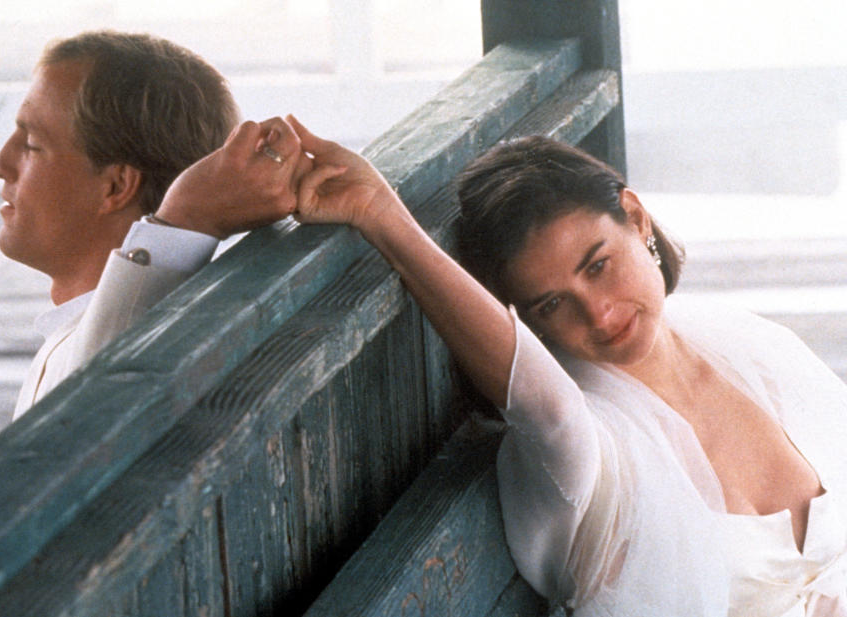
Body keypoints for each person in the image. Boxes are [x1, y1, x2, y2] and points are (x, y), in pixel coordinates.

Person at [287, 117, 847, 616]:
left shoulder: (752, 350)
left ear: (636, 218)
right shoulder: (585, 450)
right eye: (551, 304)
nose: (599, 314)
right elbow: (545, 406)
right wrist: (380, 216)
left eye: (599, 265)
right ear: (526, 323)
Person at [0, 31, 310, 420]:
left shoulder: (128, 354)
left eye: (32, 144)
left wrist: (186, 218)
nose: (0, 164)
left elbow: (98, 398)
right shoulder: (93, 332)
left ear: (117, 186)